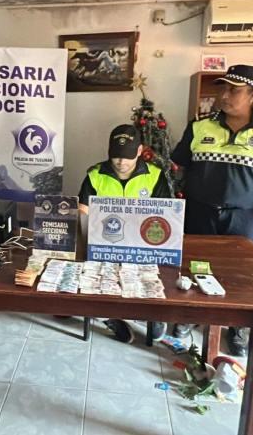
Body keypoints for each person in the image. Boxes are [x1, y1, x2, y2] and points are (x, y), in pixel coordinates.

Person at [171, 65, 253, 356]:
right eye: (222, 88)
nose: (224, 95)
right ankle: (189, 318)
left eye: (234, 90)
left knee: (242, 274)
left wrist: (249, 190)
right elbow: (181, 164)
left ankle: (237, 329)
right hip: (200, 211)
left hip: (246, 215)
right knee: (195, 267)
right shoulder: (200, 125)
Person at [77, 124, 173, 344]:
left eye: (128, 156)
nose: (121, 162)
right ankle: (109, 316)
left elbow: (165, 216)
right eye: (116, 156)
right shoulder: (95, 175)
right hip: (103, 241)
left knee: (154, 275)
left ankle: (153, 315)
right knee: (92, 276)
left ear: (139, 151)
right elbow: (83, 211)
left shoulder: (154, 176)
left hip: (143, 245)